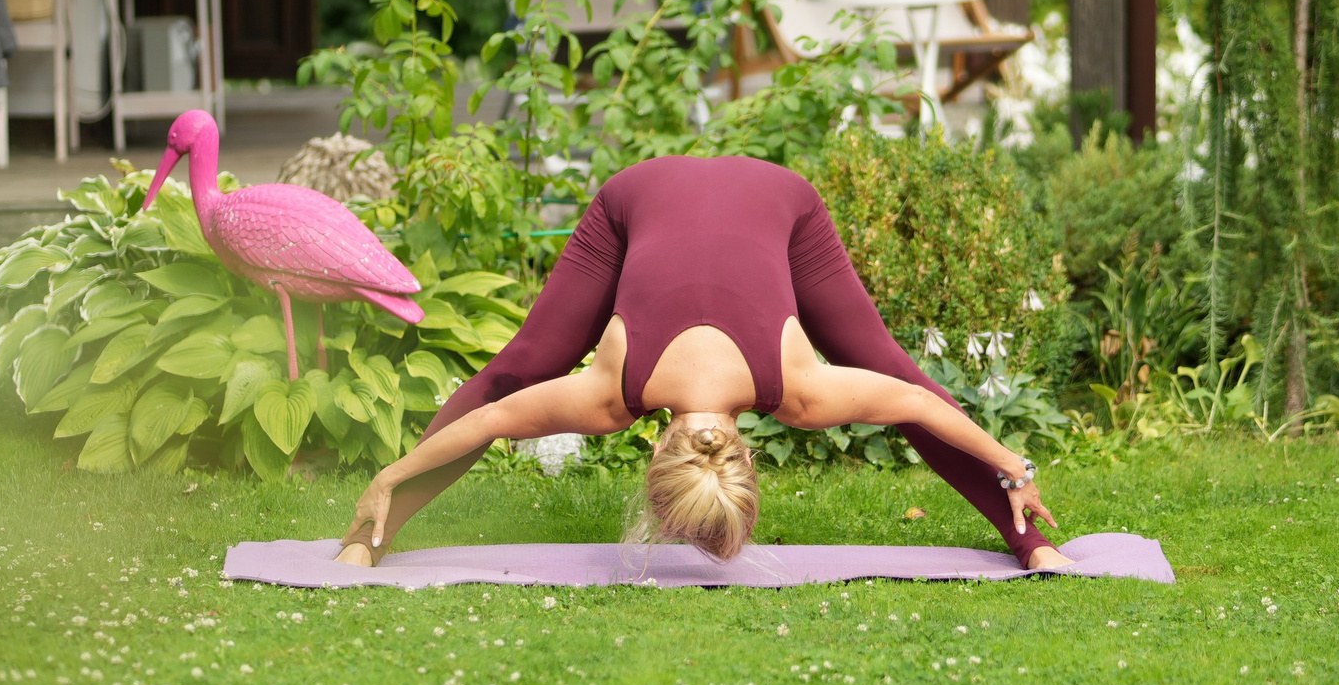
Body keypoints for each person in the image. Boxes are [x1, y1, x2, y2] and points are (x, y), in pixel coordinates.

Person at [343, 154, 1068, 570]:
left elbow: (492, 419)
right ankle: (1034, 547)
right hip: (649, 199)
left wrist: (1015, 465)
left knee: (884, 362)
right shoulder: (619, 395)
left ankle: (366, 541)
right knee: (526, 361)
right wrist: (388, 476)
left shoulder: (791, 391)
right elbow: (491, 417)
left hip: (765, 202)